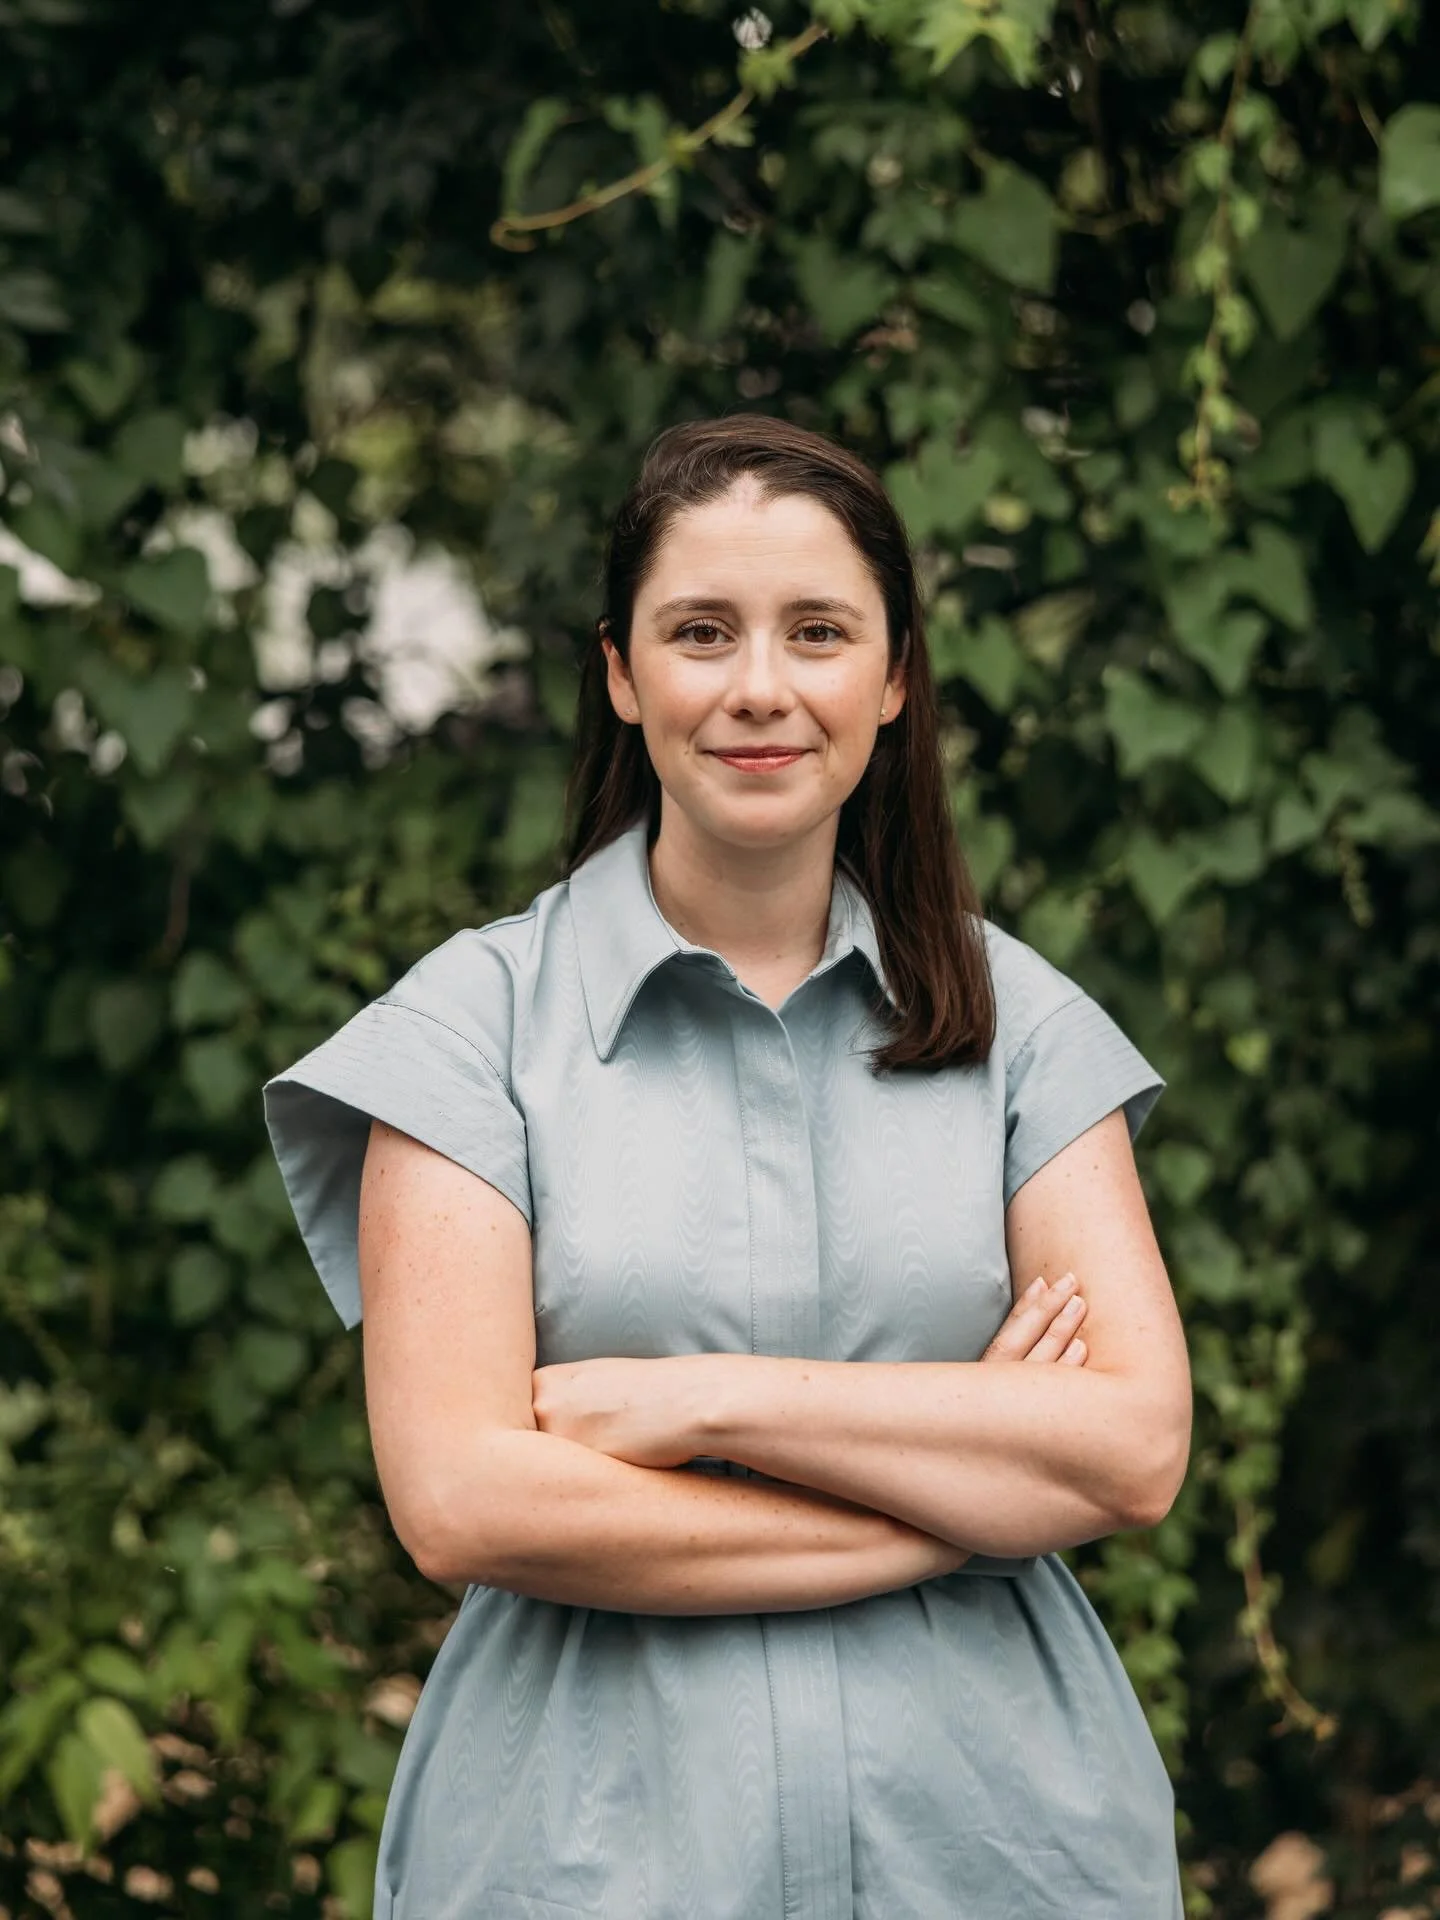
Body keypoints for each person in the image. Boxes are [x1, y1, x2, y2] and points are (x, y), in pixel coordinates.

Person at [263, 413, 1193, 1919]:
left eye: (818, 632)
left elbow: (1136, 1448)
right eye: (702, 632)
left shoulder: (1017, 1022)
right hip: (592, 1866)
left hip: (1002, 1856)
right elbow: (462, 1500)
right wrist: (947, 1497)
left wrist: (695, 1402)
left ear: (892, 679)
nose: (760, 687)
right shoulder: (465, 1033)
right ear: (623, 675)